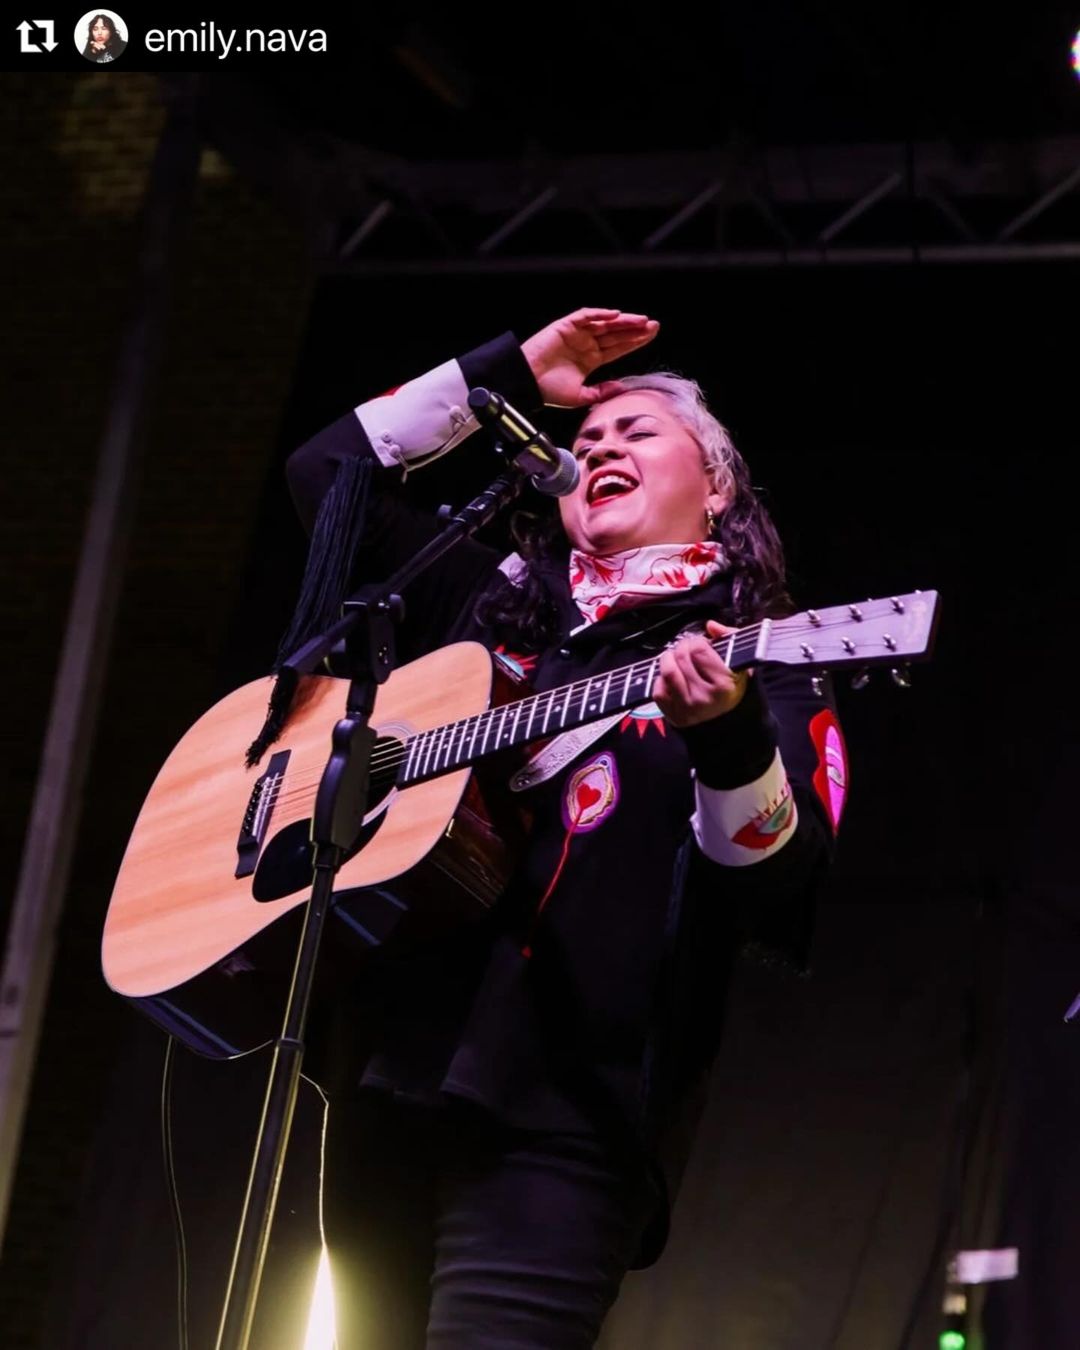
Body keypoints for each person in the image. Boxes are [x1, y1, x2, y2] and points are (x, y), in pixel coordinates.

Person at [278, 308, 847, 1348]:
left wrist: (726, 739)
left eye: (638, 432)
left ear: (717, 488)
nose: (602, 447)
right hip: (391, 1078)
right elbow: (327, 475)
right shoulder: (485, 604)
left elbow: (779, 875)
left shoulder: (768, 656)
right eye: (588, 439)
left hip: (569, 1115)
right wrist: (503, 373)